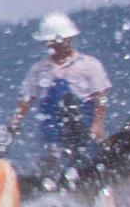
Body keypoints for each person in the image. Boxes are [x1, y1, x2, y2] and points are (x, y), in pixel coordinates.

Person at [8, 12, 111, 160]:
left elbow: (101, 96)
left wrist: (97, 124)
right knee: (52, 163)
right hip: (52, 124)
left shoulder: (89, 65)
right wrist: (14, 124)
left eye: (59, 41)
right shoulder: (39, 70)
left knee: (90, 160)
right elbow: (26, 98)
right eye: (50, 42)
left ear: (69, 39)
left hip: (84, 121)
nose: (55, 45)